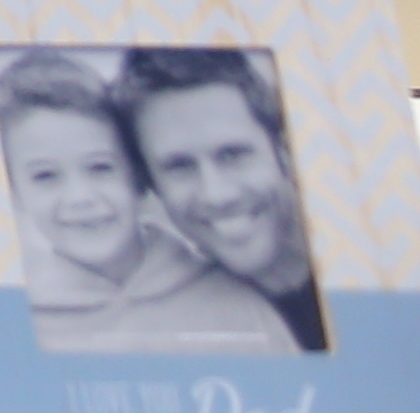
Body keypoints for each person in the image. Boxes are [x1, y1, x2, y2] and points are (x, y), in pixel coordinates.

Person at [0, 59, 296, 351]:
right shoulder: (8, 320)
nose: (80, 197)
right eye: (45, 176)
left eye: (101, 167)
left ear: (139, 178)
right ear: (12, 192)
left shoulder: (236, 300)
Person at [118, 49, 324, 350]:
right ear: (151, 184)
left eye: (233, 155)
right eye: (179, 167)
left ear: (284, 150)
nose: (217, 194)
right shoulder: (184, 319)